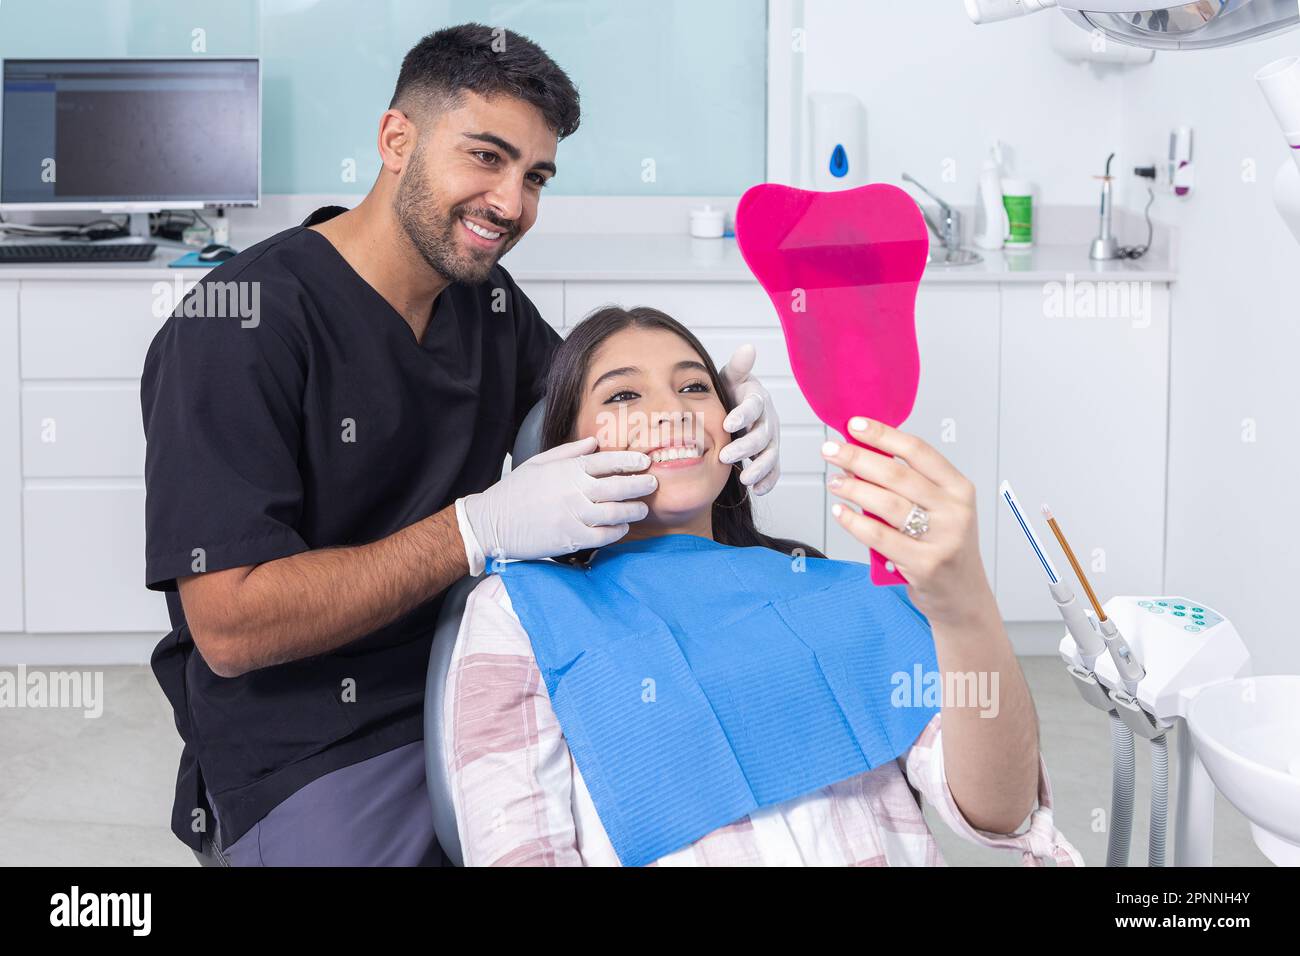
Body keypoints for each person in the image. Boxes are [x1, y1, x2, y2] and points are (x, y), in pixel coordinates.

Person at [140, 25, 783, 866]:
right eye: (486, 157)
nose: (511, 204)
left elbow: (599, 415)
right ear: (395, 140)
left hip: (501, 666)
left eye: (535, 176)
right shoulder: (239, 326)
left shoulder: (488, 305)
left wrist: (711, 415)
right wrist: (473, 531)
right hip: (319, 737)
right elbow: (230, 626)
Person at [444, 306, 1083, 866]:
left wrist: (964, 605)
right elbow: (519, 849)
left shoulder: (846, 592)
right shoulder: (524, 611)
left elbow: (1001, 810)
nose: (671, 412)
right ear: (564, 448)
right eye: (621, 398)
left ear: (737, 422)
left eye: (695, 387)